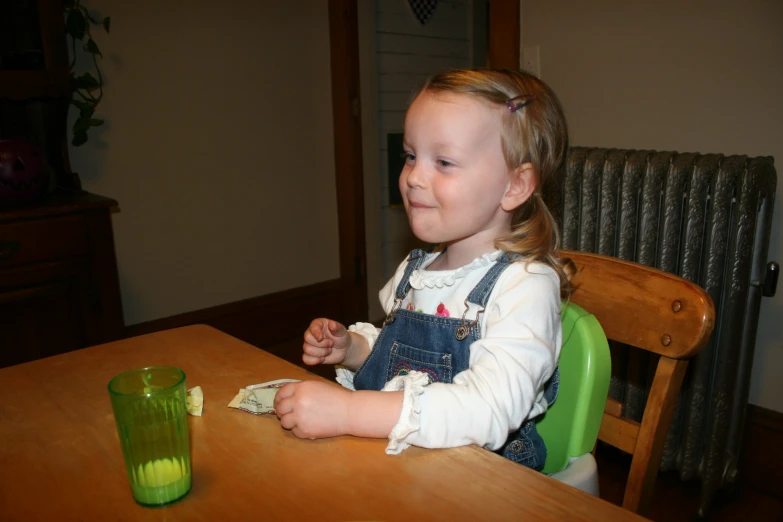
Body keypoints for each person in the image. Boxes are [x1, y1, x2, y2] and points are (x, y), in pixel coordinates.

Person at [274, 68, 572, 471]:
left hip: (488, 481)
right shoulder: (418, 269)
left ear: (514, 186)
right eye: (411, 156)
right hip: (407, 464)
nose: (414, 177)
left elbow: (487, 410)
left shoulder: (526, 287)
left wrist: (348, 412)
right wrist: (355, 351)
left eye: (444, 161)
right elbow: (402, 364)